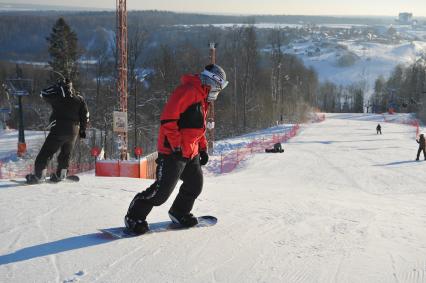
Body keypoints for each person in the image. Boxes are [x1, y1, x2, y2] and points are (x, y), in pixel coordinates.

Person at [124, 64, 228, 235]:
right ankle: (134, 216)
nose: (218, 91)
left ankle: (179, 212)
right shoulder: (187, 91)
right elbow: (168, 121)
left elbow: (197, 127)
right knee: (161, 193)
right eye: (218, 87)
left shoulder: (202, 97)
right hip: (173, 152)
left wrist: (202, 148)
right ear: (212, 82)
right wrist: (176, 145)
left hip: (190, 152)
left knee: (195, 185)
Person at [26, 78, 89, 184]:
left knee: (46, 152)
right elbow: (86, 116)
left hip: (59, 129)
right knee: (66, 153)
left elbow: (43, 93)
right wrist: (82, 130)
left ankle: (39, 175)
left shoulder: (57, 96)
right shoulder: (79, 98)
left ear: (61, 87)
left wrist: (56, 87)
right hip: (74, 131)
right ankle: (62, 174)